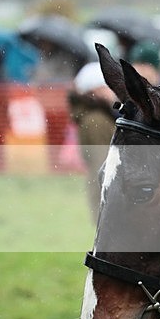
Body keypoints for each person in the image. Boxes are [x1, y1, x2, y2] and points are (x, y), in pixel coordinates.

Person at [68, 62, 118, 222]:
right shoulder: (96, 121)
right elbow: (102, 165)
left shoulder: (100, 117)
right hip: (107, 194)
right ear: (95, 91)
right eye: (108, 87)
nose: (113, 92)